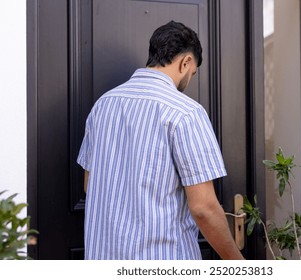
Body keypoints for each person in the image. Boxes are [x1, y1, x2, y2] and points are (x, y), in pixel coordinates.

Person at [77, 20, 244, 260]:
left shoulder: (103, 105)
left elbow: (89, 186)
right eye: (193, 72)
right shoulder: (185, 112)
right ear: (185, 62)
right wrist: (237, 263)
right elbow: (203, 208)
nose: (189, 79)